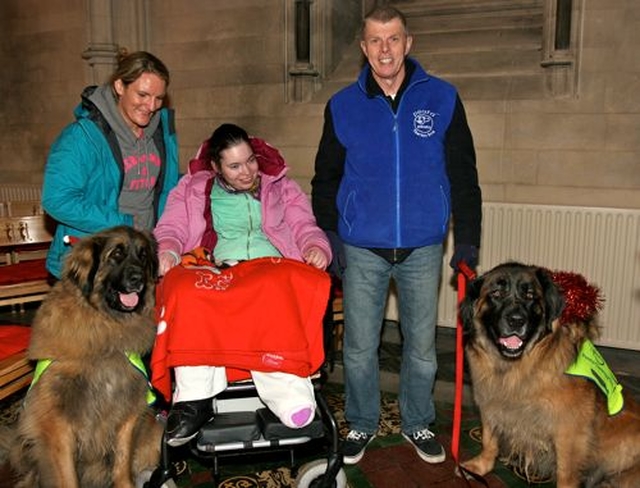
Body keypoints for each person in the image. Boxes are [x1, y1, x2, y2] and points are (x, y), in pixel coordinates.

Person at [311, 6, 482, 465]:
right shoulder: (343, 106)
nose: (384, 49)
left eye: (393, 39)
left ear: (408, 43)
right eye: (374, 40)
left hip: (423, 247)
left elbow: (464, 175)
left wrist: (467, 238)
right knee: (362, 349)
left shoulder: (443, 98)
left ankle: (417, 421)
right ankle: (362, 423)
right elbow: (325, 179)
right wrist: (330, 236)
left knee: (422, 350)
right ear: (364, 48)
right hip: (362, 247)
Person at [152, 123, 332, 447]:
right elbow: (173, 227)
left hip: (269, 267)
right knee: (186, 291)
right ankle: (194, 399)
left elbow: (304, 224)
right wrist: (167, 250)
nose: (247, 171)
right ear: (215, 167)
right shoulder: (192, 188)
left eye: (250, 161)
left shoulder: (281, 186)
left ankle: (289, 395)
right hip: (221, 268)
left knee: (272, 291)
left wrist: (313, 246)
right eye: (234, 166)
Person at [42, 50, 179, 279]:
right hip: (95, 259)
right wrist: (123, 223)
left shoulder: (161, 131)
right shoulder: (81, 136)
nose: (152, 105)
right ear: (119, 86)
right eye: (143, 95)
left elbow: (167, 187)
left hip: (142, 254)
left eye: (159, 98)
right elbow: (57, 199)